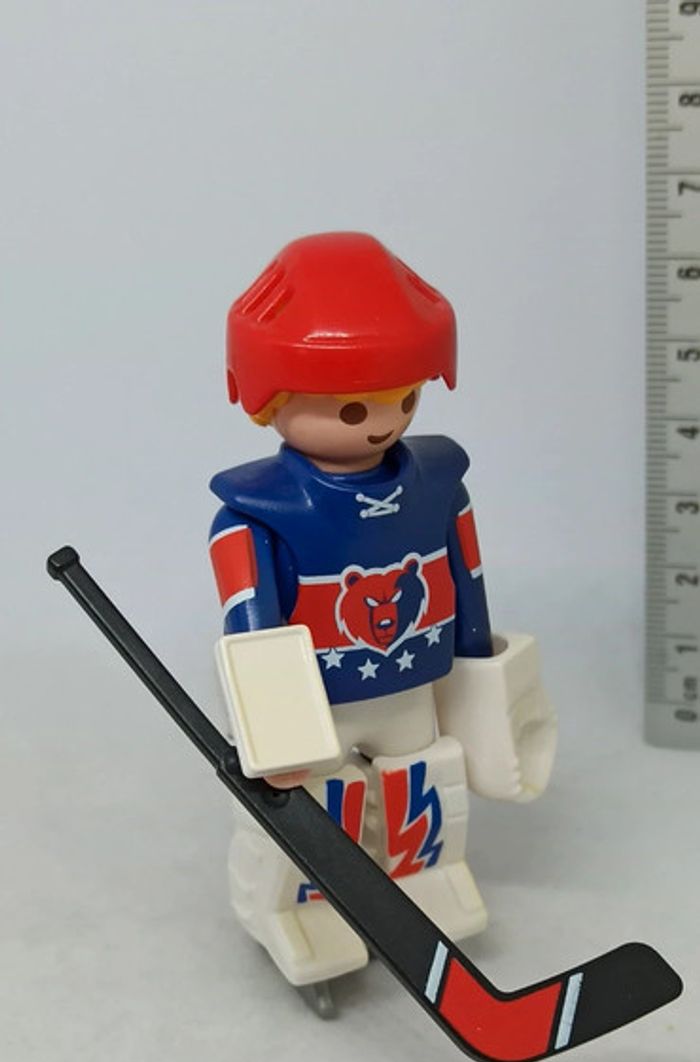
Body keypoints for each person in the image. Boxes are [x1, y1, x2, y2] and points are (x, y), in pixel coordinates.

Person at [208, 232, 557, 992]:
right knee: (312, 800)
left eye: (404, 398)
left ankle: (423, 881)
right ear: (270, 398)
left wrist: (480, 676)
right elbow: (251, 624)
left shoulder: (439, 486)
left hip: (409, 687)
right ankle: (301, 904)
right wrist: (272, 727)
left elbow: (466, 584)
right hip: (319, 696)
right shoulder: (256, 515)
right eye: (352, 406)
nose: (382, 421)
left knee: (422, 776)